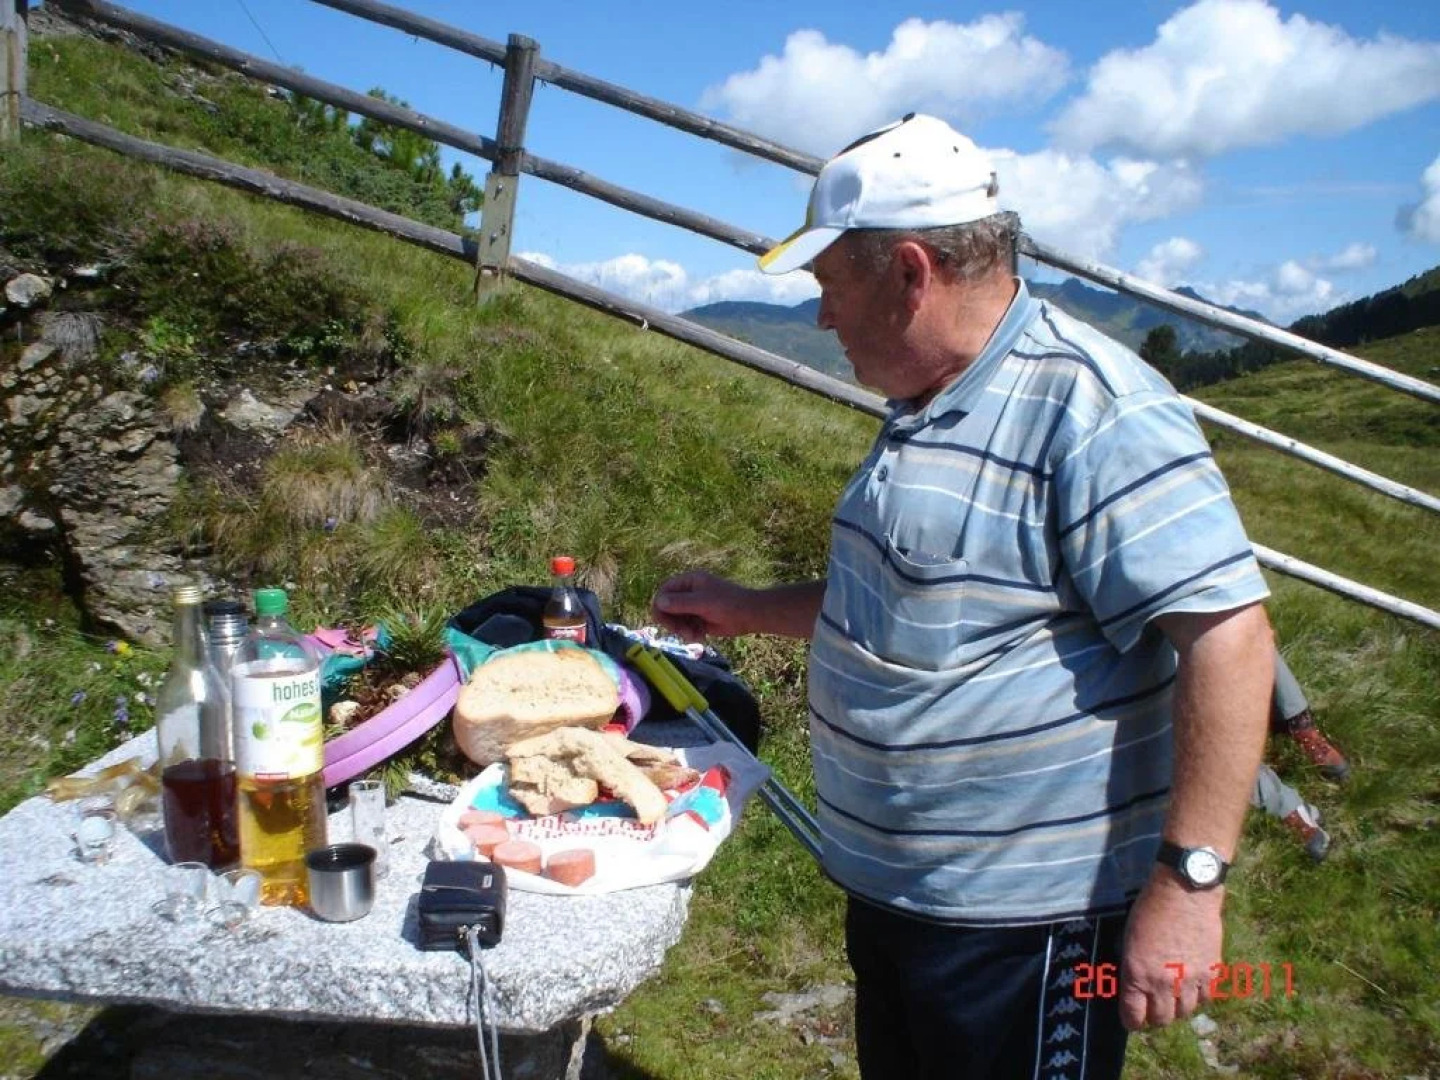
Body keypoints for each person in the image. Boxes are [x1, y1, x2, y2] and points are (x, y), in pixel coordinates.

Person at [651, 114, 1275, 1080]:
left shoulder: (1094, 410)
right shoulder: (931, 399)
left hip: (1027, 929)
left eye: (830, 284)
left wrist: (1190, 887)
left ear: (910, 272)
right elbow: (914, 598)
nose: (822, 318)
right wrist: (745, 607)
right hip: (903, 895)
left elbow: (1230, 639)